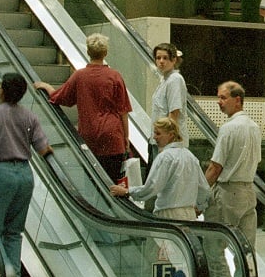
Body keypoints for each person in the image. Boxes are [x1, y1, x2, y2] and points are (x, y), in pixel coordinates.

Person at [0, 72, 53, 276]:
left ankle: (5, 267)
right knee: (14, 232)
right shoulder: (30, 116)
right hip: (25, 174)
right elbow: (44, 149)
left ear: (3, 91)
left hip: (2, 172)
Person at [38, 33, 131, 182]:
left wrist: (48, 87)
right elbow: (123, 111)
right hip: (113, 136)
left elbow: (60, 98)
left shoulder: (80, 76)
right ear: (105, 53)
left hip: (89, 136)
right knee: (114, 182)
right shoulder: (115, 76)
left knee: (92, 182)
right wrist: (126, 137)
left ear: (88, 52)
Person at [203, 80, 263, 264]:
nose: (219, 101)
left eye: (223, 97)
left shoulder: (228, 128)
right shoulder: (255, 127)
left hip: (228, 193)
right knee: (246, 250)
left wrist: (200, 193)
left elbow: (215, 167)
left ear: (237, 100)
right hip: (248, 192)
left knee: (214, 248)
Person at [117, 116, 206, 220]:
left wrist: (127, 191)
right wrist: (200, 206)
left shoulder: (165, 157)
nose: (154, 137)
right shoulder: (191, 156)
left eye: (158, 133)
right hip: (190, 214)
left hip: (168, 214)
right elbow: (204, 188)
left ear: (171, 135)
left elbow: (151, 187)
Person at [150, 41, 189, 135]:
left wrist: (165, 138)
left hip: (169, 140)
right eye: (158, 58)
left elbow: (174, 112)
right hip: (160, 137)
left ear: (174, 60)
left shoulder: (175, 79)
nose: (161, 61)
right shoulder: (165, 79)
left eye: (165, 58)